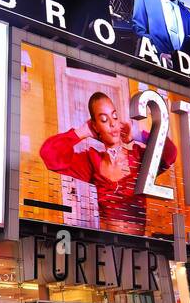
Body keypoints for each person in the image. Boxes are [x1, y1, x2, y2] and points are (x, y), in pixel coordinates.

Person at [40, 91, 178, 234]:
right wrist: (82, 132)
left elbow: (170, 154)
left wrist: (137, 134)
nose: (112, 124)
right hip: (106, 247)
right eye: (104, 120)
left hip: (137, 248)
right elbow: (50, 155)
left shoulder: (139, 158)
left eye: (115, 116)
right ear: (95, 127)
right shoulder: (92, 161)